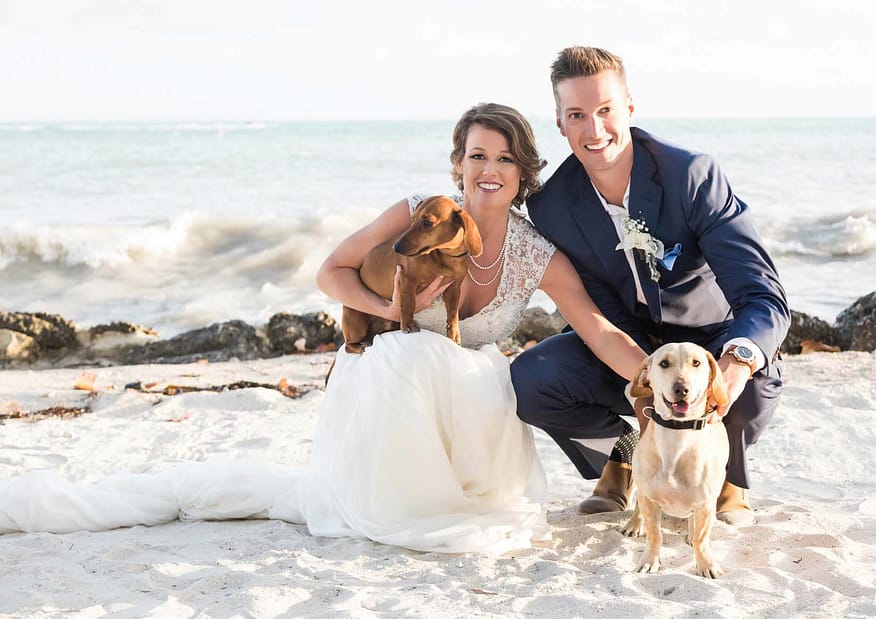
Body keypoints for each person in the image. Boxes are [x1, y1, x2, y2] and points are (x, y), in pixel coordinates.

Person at [0, 103, 646, 556]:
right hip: (389, 392)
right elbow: (330, 272)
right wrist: (393, 311)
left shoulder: (536, 253)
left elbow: (596, 329)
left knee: (477, 368)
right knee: (411, 357)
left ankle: (466, 488)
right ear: (457, 163)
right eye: (477, 154)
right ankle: (399, 498)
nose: (490, 169)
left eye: (505, 158)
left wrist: (658, 382)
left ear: (523, 171)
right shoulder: (413, 212)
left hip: (469, 419)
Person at [511, 47, 790, 525]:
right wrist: (644, 395)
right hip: (628, 348)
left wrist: (733, 365)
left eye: (605, 111)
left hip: (709, 342)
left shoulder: (691, 176)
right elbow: (598, 305)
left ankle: (727, 477)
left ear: (630, 109)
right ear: (560, 123)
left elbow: (763, 295)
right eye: (577, 115)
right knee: (532, 379)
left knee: (754, 385)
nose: (593, 131)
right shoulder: (553, 204)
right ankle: (622, 457)